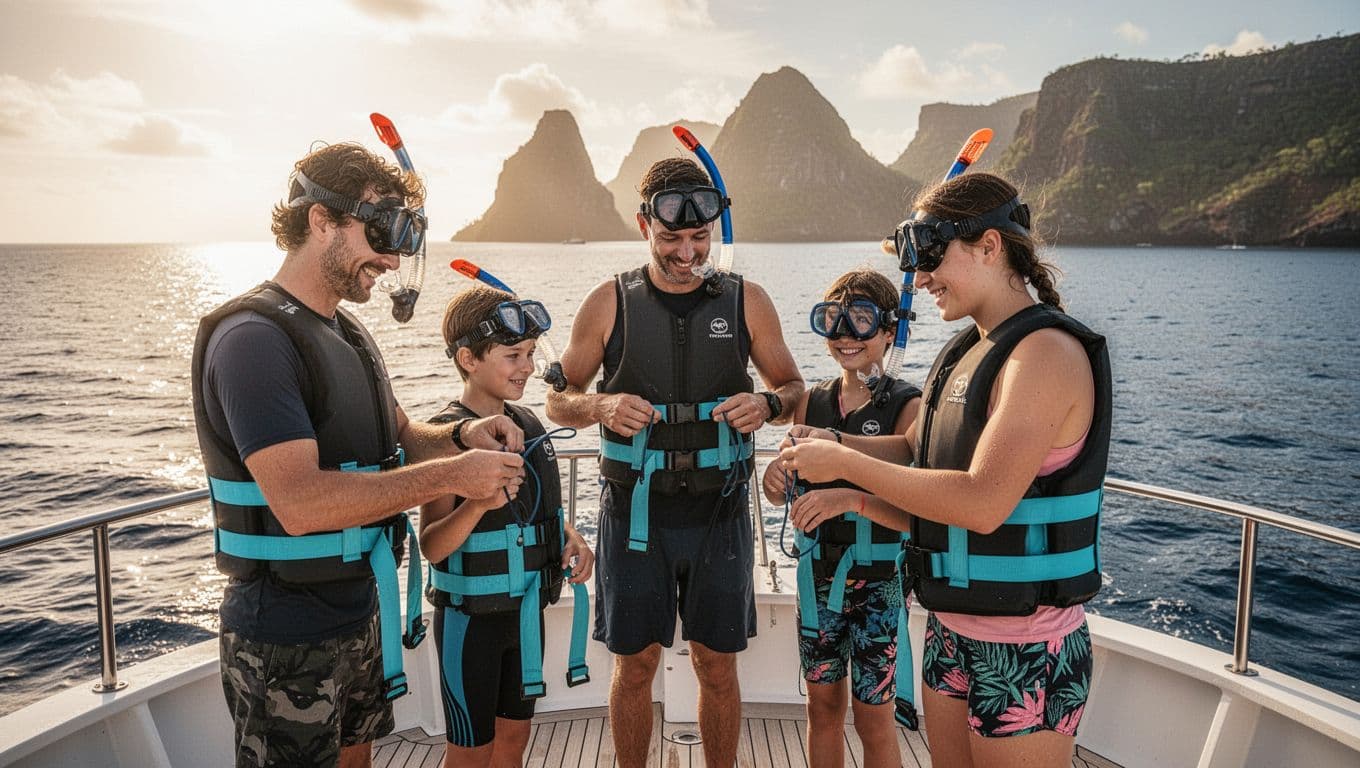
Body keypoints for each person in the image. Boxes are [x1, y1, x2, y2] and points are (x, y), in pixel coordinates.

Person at [191, 142, 526, 768]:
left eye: (403, 237)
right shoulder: (253, 341)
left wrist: (461, 438)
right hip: (283, 632)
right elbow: (300, 502)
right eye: (381, 232)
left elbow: (402, 436)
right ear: (322, 222)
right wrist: (453, 476)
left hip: (357, 610)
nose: (394, 257)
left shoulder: (348, 332)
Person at [779, 173, 1111, 768]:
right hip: (951, 629)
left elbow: (983, 501)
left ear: (990, 245)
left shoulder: (1044, 355)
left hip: (1025, 643)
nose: (921, 278)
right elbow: (916, 450)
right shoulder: (966, 351)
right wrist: (828, 439)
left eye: (930, 257)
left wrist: (845, 462)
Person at [546, 157, 804, 767]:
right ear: (643, 226)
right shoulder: (610, 302)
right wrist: (601, 404)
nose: (688, 254)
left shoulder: (748, 301)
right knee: (634, 665)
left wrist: (766, 404)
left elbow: (795, 391)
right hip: (635, 515)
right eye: (671, 239)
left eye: (699, 238)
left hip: (720, 514)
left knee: (717, 664)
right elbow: (559, 401)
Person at [420, 285, 596, 767]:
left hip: (524, 616)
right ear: (468, 358)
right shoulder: (446, 439)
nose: (528, 367)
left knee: (514, 742)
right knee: (470, 755)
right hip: (469, 624)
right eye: (513, 354)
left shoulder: (530, 424)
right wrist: (477, 505)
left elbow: (538, 515)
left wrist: (571, 539)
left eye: (532, 353)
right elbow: (432, 546)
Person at [760, 268, 921, 768]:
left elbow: (913, 475)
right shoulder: (813, 400)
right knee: (822, 707)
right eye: (833, 321)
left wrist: (846, 487)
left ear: (890, 332)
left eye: (861, 321)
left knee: (874, 716)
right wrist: (775, 477)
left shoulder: (907, 404)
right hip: (817, 579)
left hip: (878, 584)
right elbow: (789, 472)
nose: (846, 336)